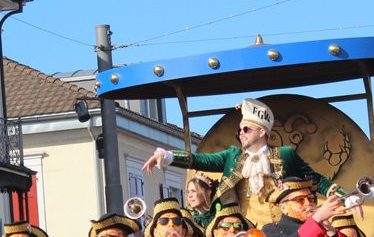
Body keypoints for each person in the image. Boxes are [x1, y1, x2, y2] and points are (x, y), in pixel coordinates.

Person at [142, 98, 354, 228]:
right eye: (239, 130)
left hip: (284, 229)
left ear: (262, 132)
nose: (240, 133)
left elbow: (317, 179)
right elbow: (199, 159)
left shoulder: (285, 154)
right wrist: (168, 156)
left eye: (246, 129)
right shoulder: (233, 156)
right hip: (244, 230)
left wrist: (347, 199)